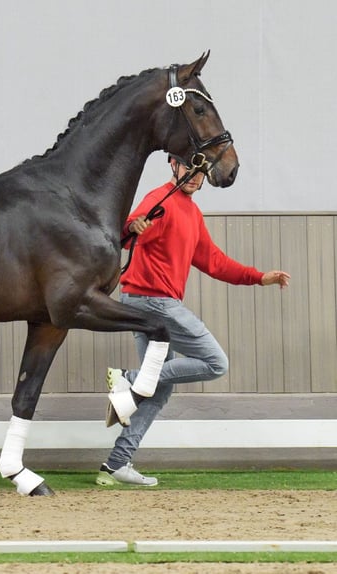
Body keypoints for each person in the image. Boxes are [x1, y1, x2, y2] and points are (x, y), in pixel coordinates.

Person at [96, 154, 290, 487]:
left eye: (201, 172)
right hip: (152, 302)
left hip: (147, 302)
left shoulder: (192, 213)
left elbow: (215, 262)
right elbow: (126, 233)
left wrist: (260, 277)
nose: (196, 176)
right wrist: (133, 227)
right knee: (216, 362)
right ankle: (129, 378)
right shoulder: (161, 199)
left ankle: (116, 463)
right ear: (174, 165)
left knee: (157, 392)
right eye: (190, 168)